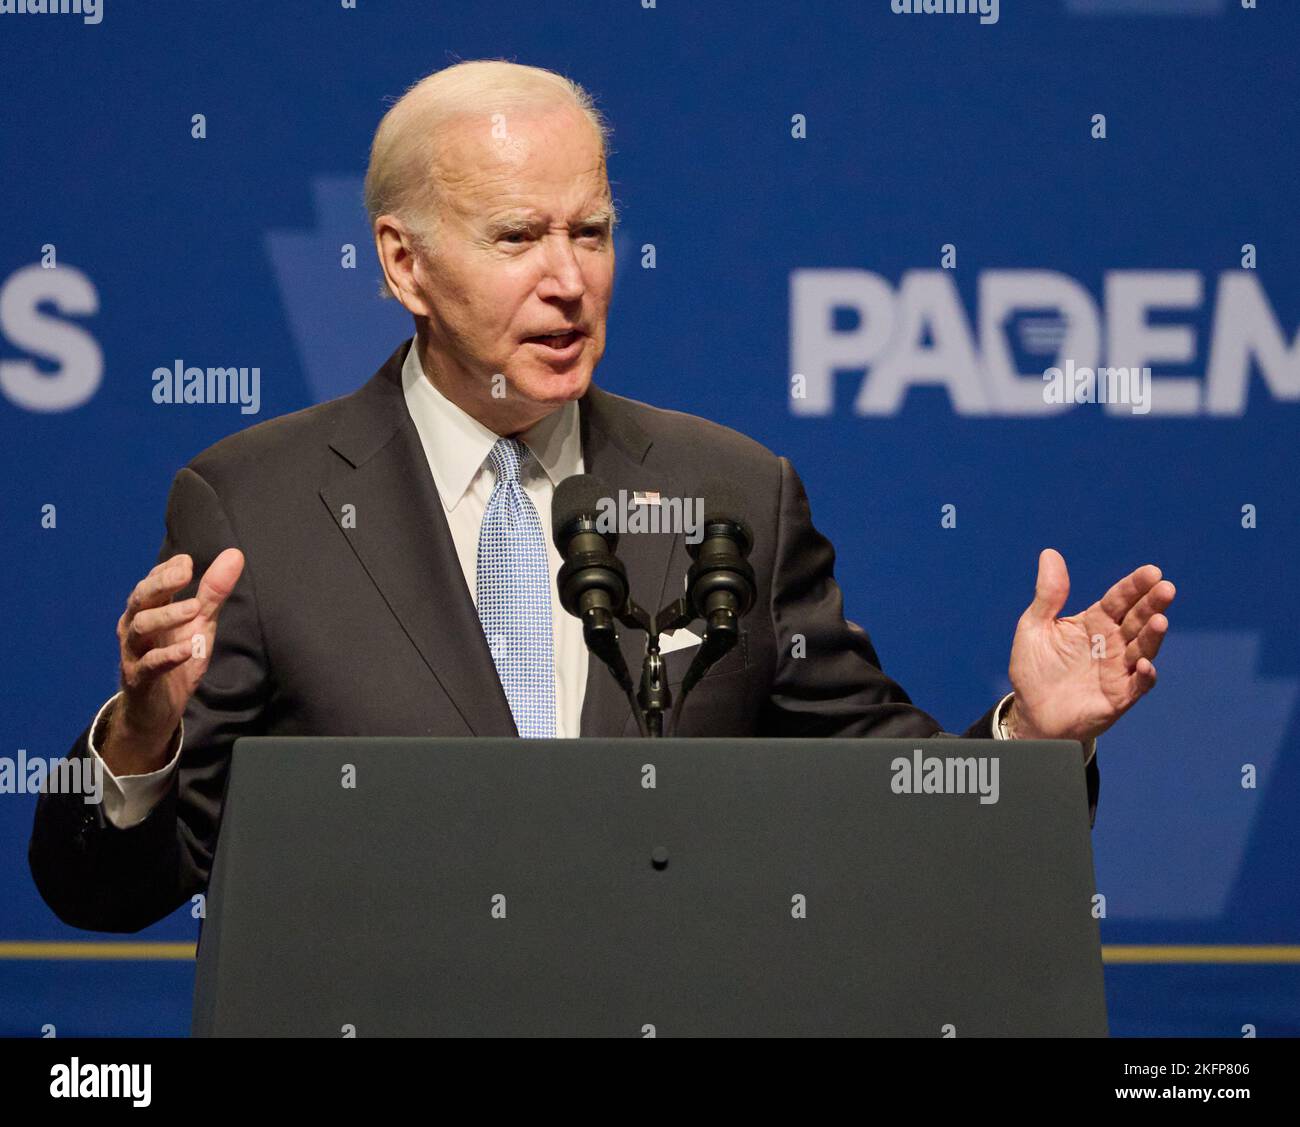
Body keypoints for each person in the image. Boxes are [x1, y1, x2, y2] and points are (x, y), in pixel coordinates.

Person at [29, 60, 1174, 933]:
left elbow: (895, 811)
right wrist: (140, 735)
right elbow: (106, 888)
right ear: (401, 264)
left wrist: (1028, 737)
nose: (568, 280)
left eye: (593, 231)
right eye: (518, 236)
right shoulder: (255, 506)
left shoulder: (733, 493)